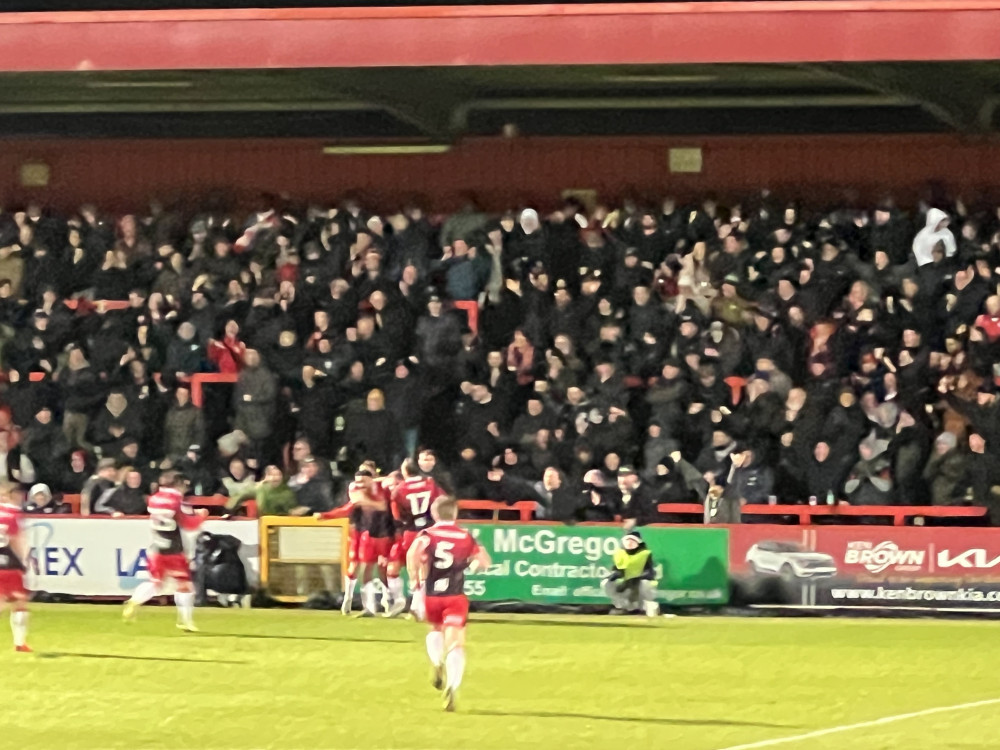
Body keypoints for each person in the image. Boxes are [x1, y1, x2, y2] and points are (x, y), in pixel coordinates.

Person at [407, 496, 491, 713]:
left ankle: (436, 662)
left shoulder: (427, 535)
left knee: (435, 629)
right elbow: (484, 562)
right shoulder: (465, 536)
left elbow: (412, 554)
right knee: (456, 643)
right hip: (455, 595)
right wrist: (473, 565)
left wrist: (415, 583)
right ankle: (453, 687)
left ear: (434, 514)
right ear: (454, 514)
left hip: (431, 594)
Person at [122, 471, 208, 631]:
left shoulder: (154, 499)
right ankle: (185, 620)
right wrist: (201, 516)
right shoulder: (176, 500)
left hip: (156, 548)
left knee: (155, 583)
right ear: (177, 484)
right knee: (185, 585)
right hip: (173, 551)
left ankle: (134, 600)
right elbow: (188, 524)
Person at [317, 465, 393, 616]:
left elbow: (383, 504)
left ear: (373, 477)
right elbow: (347, 508)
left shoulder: (382, 487)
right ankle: (359, 602)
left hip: (385, 531)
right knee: (360, 565)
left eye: (364, 481)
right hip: (364, 531)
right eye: (358, 481)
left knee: (384, 568)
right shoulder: (355, 489)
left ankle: (388, 600)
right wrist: (326, 516)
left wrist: (365, 500)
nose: (360, 485)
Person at [387, 458, 445, 617]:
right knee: (423, 569)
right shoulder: (431, 484)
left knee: (410, 569)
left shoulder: (399, 490)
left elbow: (397, 516)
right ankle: (418, 606)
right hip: (429, 530)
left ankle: (413, 605)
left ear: (405, 472)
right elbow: (443, 502)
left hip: (410, 532)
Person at [0, 490, 31, 651]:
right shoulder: (11, 515)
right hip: (8, 563)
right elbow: (16, 540)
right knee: (19, 601)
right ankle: (19, 643)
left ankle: (20, 644)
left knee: (2, 601)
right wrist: (23, 561)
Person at [603, 530, 659, 617]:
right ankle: (622, 607)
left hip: (639, 584)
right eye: (627, 540)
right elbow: (618, 569)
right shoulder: (619, 553)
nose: (629, 543)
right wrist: (615, 575)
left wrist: (636, 578)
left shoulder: (645, 554)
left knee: (645, 583)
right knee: (605, 583)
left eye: (633, 541)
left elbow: (649, 572)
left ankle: (646, 607)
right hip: (624, 583)